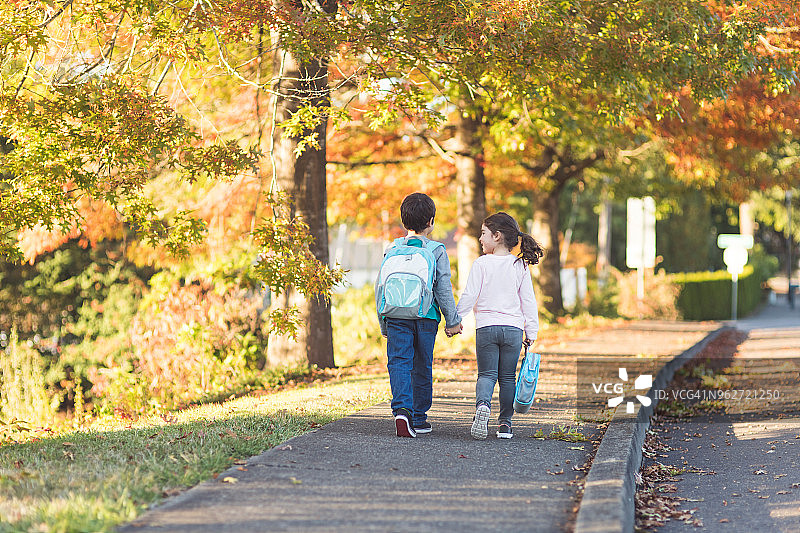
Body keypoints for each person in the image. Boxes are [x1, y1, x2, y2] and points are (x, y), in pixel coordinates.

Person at [376, 193, 462, 438]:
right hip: (426, 317)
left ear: (403, 221)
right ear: (431, 221)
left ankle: (402, 410)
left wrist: (383, 322)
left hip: (395, 315)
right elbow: (443, 288)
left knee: (398, 362)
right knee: (422, 364)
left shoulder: (392, 248)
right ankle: (419, 418)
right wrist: (453, 321)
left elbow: (380, 288)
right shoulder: (436, 250)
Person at [455, 212, 543, 440]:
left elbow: (469, 295)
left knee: (486, 375)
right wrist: (531, 331)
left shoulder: (481, 263)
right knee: (507, 378)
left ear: (497, 236)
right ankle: (505, 424)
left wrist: (455, 319)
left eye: (483, 233)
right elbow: (528, 301)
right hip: (513, 330)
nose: (480, 238)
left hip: (486, 328)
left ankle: (483, 406)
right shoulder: (519, 265)